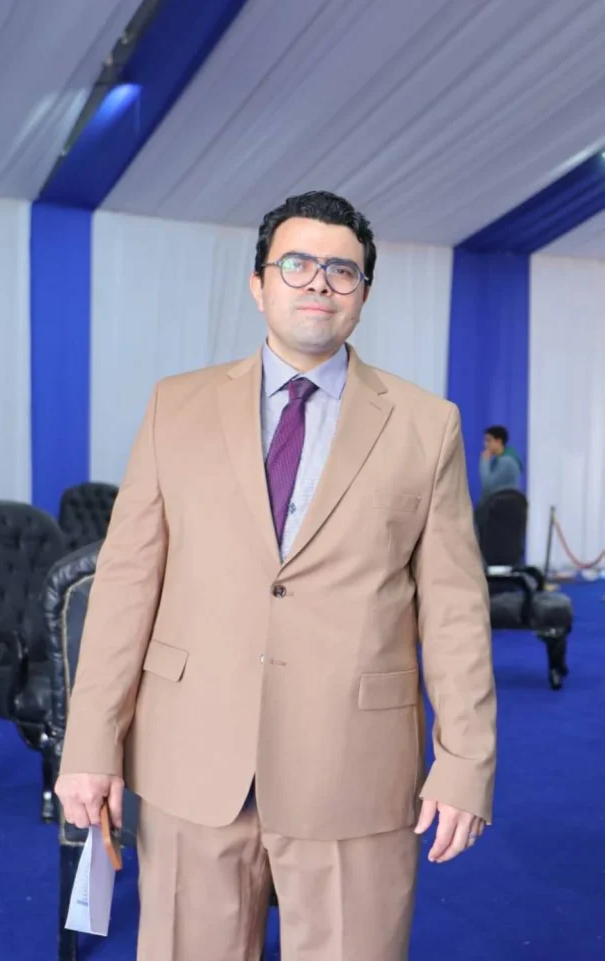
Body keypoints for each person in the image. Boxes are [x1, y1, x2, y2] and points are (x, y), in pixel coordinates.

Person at [56, 190, 497, 961]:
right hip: (191, 759)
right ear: (259, 284)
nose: (319, 281)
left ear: (363, 294)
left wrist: (465, 760)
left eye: (342, 270)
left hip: (353, 766)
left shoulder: (428, 425)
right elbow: (125, 588)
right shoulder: (174, 406)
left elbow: (455, 608)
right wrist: (91, 742)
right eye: (297, 263)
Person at [479, 425, 523, 503]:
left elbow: (488, 486)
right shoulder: (498, 460)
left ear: (499, 441)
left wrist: (484, 461)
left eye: (489, 441)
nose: (485, 444)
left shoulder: (507, 461)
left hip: (503, 506)